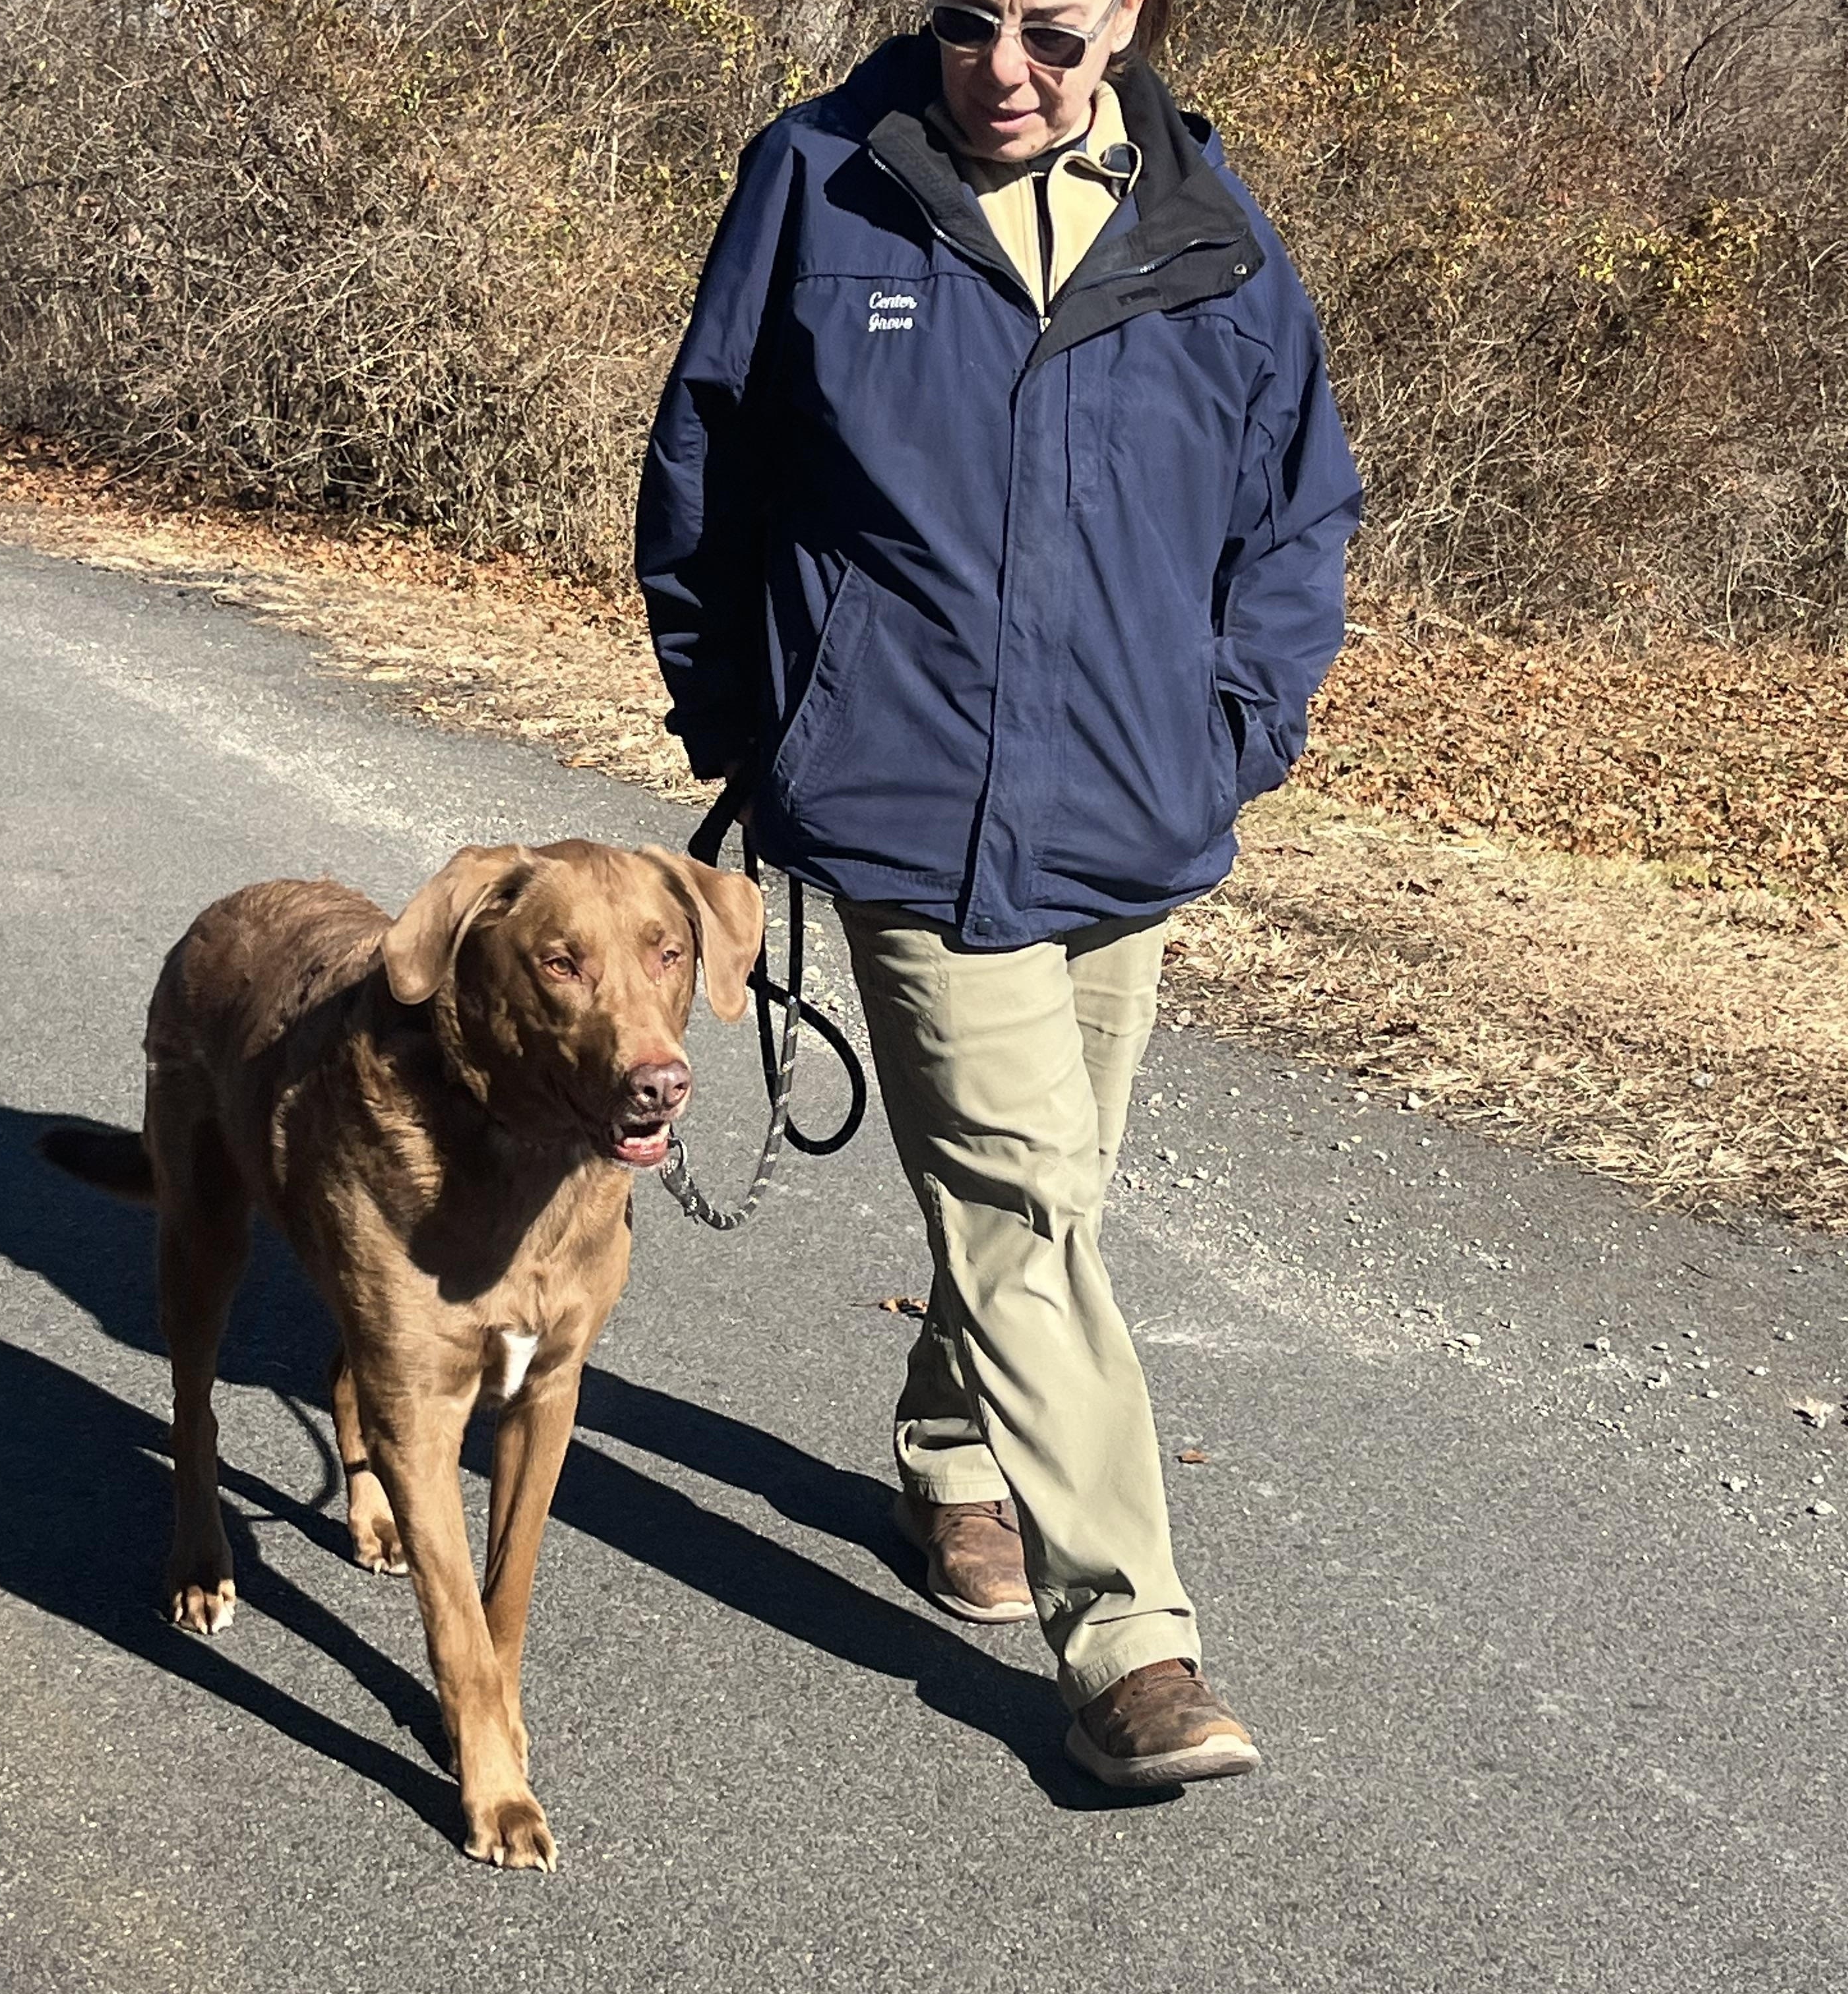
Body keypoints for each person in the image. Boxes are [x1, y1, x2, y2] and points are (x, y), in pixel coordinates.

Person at [636, 0, 1361, 1788]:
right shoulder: (820, 180)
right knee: (1025, 1197)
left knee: (1063, 1182)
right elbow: (705, 468)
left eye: (1055, 28)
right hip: (901, 797)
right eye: (968, 24)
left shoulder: (1211, 224)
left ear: (1131, 21)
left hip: (1133, 802)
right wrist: (761, 727)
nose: (1007, 68)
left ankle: (958, 1454)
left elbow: (1297, 507)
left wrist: (1235, 731)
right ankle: (1130, 1642)